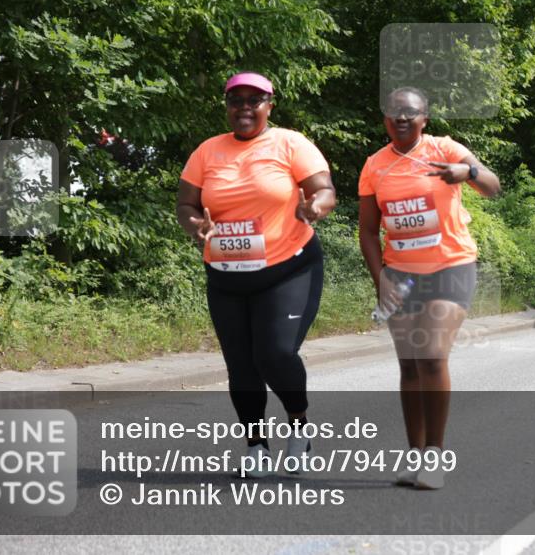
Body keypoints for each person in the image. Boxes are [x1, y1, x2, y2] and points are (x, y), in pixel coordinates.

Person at [177, 71, 336, 477]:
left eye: (254, 100)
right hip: (227, 276)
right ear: (227, 105)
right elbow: (186, 205)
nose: (244, 107)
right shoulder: (207, 152)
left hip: (288, 267)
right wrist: (196, 225)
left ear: (269, 104)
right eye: (236, 100)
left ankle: (298, 428)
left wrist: (314, 207)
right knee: (241, 367)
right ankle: (256, 445)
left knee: (275, 354)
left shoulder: (289, 143)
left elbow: (324, 190)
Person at [358, 86, 501, 489]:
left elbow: (493, 185)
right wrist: (380, 278)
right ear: (385, 119)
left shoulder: (445, 149)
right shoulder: (374, 166)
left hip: (450, 267)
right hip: (400, 274)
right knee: (409, 364)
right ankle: (415, 454)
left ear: (425, 118)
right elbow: (368, 231)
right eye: (393, 113)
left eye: (410, 113)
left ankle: (435, 456)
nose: (401, 119)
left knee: (432, 355)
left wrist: (468, 172)